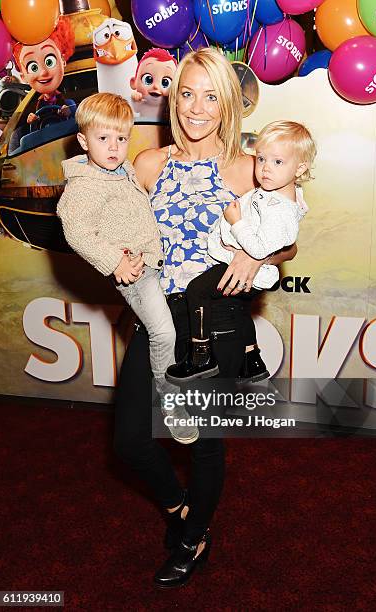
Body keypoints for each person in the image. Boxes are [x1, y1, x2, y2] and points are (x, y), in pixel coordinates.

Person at [113, 48, 297, 588]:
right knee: (129, 440)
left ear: (227, 104)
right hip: (155, 315)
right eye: (186, 93)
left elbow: (287, 240)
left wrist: (257, 255)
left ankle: (194, 541)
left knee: (204, 446)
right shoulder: (149, 164)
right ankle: (181, 511)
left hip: (211, 319)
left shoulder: (249, 167)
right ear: (174, 97)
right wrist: (123, 254)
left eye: (210, 95)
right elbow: (128, 231)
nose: (196, 107)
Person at [57, 92, 198, 445]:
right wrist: (114, 261)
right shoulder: (85, 185)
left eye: (121, 138)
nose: (114, 147)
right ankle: (171, 404)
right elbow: (75, 231)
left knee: (171, 329)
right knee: (164, 334)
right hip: (136, 271)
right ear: (83, 141)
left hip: (151, 262)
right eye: (103, 139)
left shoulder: (122, 170)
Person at [166, 120, 317, 384]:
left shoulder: (282, 208)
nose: (266, 169)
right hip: (225, 272)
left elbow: (260, 248)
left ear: (300, 167)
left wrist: (236, 223)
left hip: (242, 271)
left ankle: (201, 355)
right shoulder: (274, 194)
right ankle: (252, 359)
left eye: (277, 162)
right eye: (261, 159)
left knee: (198, 291)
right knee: (241, 305)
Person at [13, 17, 76, 127]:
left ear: (63, 60)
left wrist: (70, 114)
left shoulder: (69, 104)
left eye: (49, 61)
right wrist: (32, 122)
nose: (43, 72)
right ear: (23, 76)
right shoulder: (36, 106)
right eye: (33, 67)